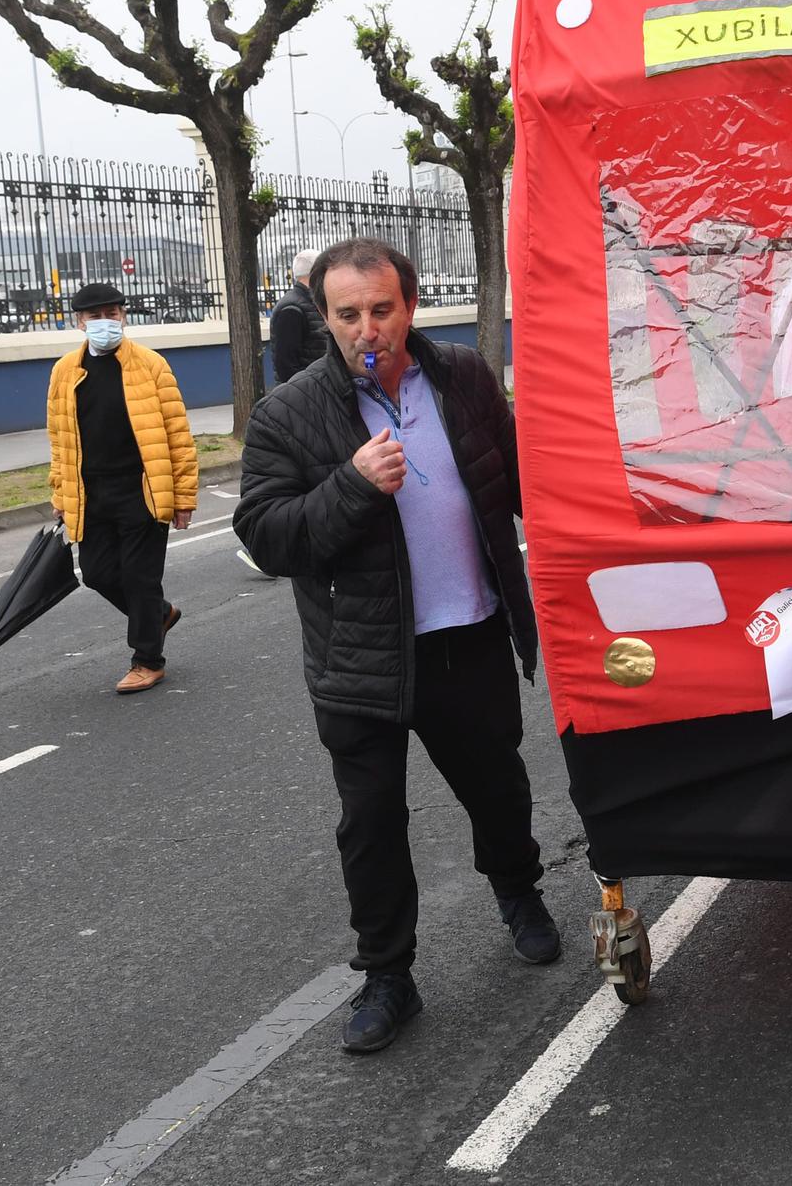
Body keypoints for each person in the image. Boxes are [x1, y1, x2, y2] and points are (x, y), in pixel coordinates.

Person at [235, 237, 561, 1054]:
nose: (366, 327)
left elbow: (525, 480)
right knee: (371, 823)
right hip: (361, 659)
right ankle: (388, 976)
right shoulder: (290, 413)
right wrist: (349, 484)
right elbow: (267, 536)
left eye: (382, 309)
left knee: (496, 785)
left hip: (468, 637)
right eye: (348, 314)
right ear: (325, 317)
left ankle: (519, 891)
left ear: (409, 306)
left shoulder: (461, 377)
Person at [46, 283, 197, 694]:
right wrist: (61, 495)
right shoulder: (64, 372)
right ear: (79, 322)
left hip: (143, 489)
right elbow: (60, 441)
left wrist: (184, 497)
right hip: (91, 493)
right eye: (95, 317)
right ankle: (159, 614)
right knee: (96, 573)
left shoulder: (150, 366)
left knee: (139, 577)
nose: (105, 323)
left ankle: (147, 660)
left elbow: (177, 435)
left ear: (124, 316)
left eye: (112, 314)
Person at [271, 247, 329, 385]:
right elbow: (286, 365)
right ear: (316, 273)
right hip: (306, 396)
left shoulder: (310, 302)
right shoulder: (292, 309)